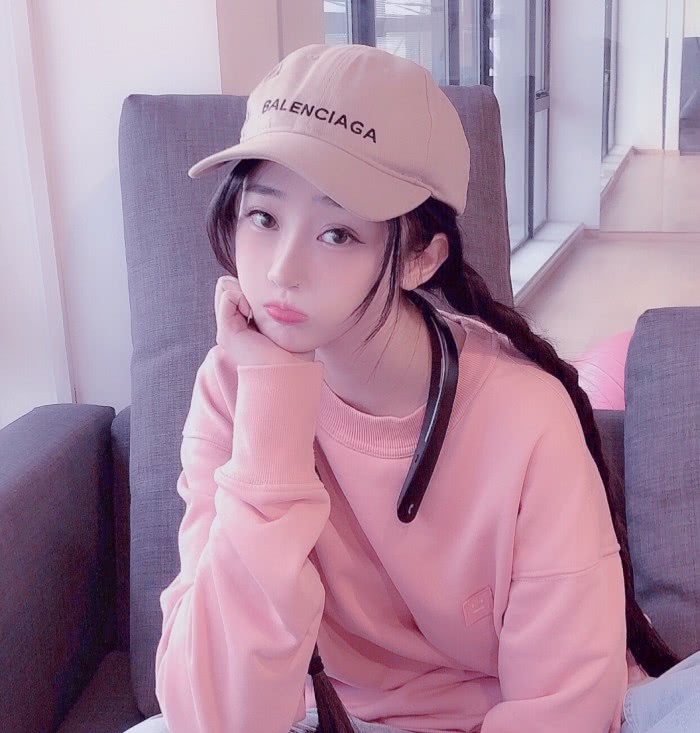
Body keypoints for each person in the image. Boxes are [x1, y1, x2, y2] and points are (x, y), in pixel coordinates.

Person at [124, 44, 699, 733]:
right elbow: (216, 715)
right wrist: (272, 407)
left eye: (338, 233)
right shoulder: (232, 386)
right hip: (329, 717)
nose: (281, 270)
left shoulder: (522, 414)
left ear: (421, 258)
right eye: (264, 217)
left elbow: (563, 706)